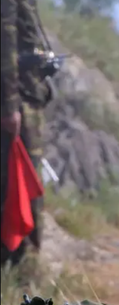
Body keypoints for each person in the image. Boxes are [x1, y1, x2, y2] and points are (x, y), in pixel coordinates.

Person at [1, 0, 56, 266]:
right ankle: (21, 262)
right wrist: (10, 106)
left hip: (25, 98)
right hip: (17, 104)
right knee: (20, 182)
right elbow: (6, 46)